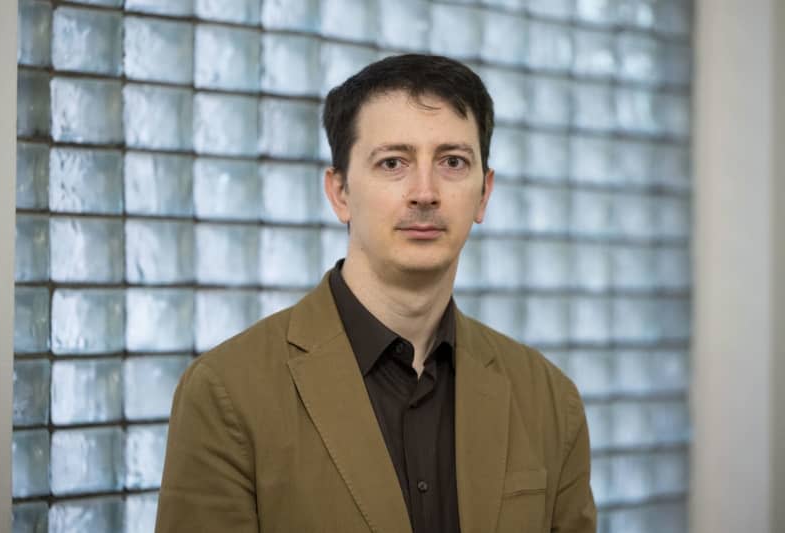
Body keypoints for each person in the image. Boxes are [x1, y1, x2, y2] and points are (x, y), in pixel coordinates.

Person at [155, 54, 596, 533]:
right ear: (340, 192)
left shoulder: (549, 399)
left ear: (484, 194)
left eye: (452, 162)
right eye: (393, 163)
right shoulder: (227, 394)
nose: (424, 192)